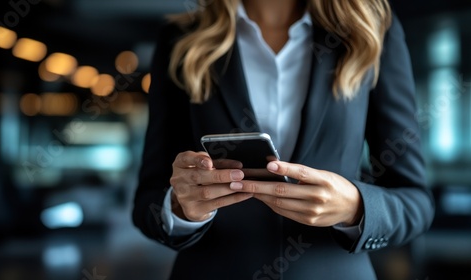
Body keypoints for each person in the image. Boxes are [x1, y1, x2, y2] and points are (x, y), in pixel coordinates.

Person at [132, 0, 435, 279]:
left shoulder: (371, 28)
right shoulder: (181, 37)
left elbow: (416, 201)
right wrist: (181, 208)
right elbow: (147, 202)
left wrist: (355, 207)